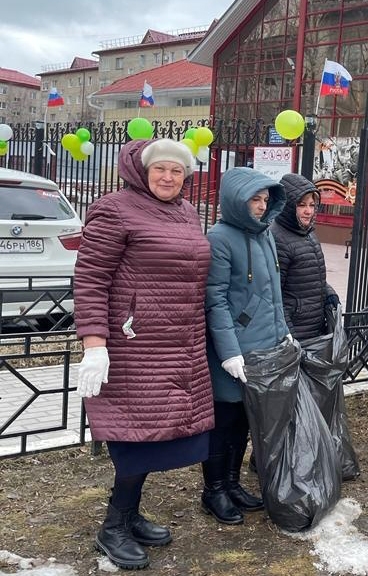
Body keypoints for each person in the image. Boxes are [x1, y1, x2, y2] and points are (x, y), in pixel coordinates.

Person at [74, 138, 213, 570]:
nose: (168, 178)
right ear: (142, 171)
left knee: (154, 435)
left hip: (180, 343)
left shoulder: (188, 213)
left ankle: (129, 515)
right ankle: (112, 527)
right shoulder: (114, 209)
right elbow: (90, 279)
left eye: (177, 171)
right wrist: (95, 343)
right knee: (133, 437)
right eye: (160, 170)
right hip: (134, 347)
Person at [203, 167, 290, 525]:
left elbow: (273, 292)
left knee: (244, 421)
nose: (260, 206)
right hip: (234, 353)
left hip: (263, 351)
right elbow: (215, 300)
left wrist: (284, 332)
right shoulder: (219, 238)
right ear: (237, 200)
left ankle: (234, 484)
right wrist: (228, 353)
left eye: (265, 199)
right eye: (254, 199)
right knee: (223, 422)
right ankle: (214, 491)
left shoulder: (265, 235)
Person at [271, 173, 339, 342]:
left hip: (313, 329)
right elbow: (274, 294)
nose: (309, 211)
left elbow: (311, 277)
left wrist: (329, 293)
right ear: (288, 205)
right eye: (301, 205)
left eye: (312, 205)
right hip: (295, 333)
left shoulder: (307, 232)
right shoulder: (278, 238)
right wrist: (289, 335)